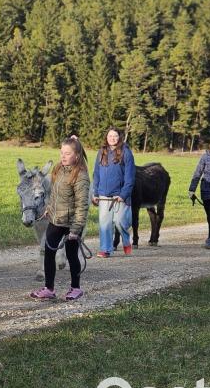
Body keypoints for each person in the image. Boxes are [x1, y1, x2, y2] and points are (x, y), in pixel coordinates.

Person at [30, 136, 90, 301]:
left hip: (71, 224)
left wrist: (76, 230)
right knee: (49, 252)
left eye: (67, 153)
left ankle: (76, 288)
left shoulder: (81, 176)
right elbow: (54, 194)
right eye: (61, 152)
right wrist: (49, 208)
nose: (63, 156)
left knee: (71, 256)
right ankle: (49, 289)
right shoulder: (58, 169)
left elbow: (82, 206)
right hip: (56, 220)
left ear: (76, 156)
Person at [92, 127, 135, 258]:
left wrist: (123, 195)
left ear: (119, 137)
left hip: (119, 196)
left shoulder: (126, 153)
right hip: (104, 195)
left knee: (120, 222)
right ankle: (106, 249)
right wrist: (95, 192)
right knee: (105, 224)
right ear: (106, 137)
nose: (112, 138)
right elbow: (96, 174)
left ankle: (126, 240)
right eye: (110, 136)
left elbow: (130, 177)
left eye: (115, 136)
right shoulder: (101, 152)